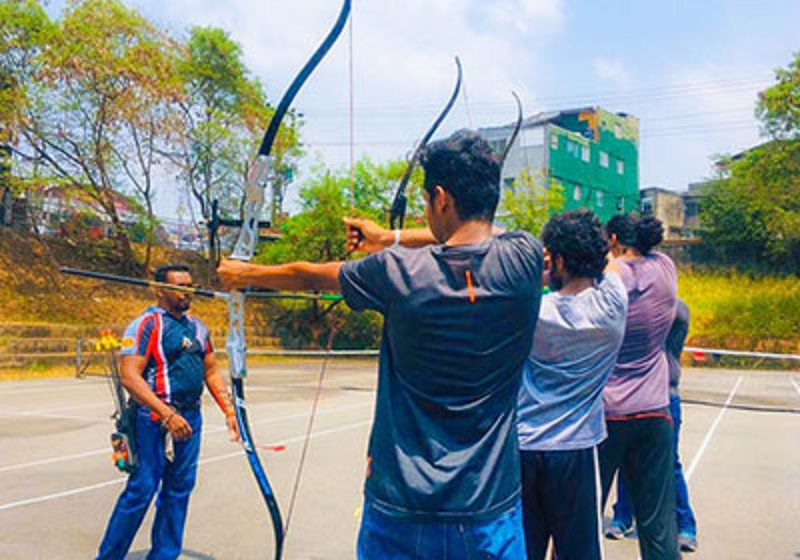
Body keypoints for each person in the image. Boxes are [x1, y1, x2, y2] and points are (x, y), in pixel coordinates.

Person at [218, 130, 544, 559]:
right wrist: (387, 237)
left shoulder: (398, 272)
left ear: (441, 198)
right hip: (488, 512)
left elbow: (310, 275)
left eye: (429, 202)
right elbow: (490, 232)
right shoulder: (524, 258)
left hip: (401, 509)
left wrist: (246, 275)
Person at [96, 264, 239, 560]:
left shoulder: (198, 327)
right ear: (159, 289)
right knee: (142, 488)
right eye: (179, 286)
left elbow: (210, 370)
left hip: (190, 416)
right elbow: (130, 376)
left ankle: (164, 554)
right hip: (153, 419)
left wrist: (229, 410)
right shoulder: (146, 325)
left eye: (190, 285)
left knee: (179, 488)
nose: (187, 292)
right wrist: (167, 414)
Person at [517, 209, 628, 560]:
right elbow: (608, 262)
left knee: (522, 550)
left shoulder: (529, 311)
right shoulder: (612, 308)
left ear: (558, 259)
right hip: (575, 451)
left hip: (521, 448)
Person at [599, 215, 681, 560]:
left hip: (607, 415)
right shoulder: (665, 267)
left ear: (614, 239)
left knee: (582, 517)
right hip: (654, 412)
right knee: (658, 523)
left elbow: (609, 270)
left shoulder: (609, 280)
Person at [606, 299, 698, 552]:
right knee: (626, 459)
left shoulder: (674, 309)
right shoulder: (639, 309)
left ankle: (685, 524)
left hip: (664, 397)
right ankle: (623, 516)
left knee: (670, 463)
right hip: (630, 396)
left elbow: (672, 313)